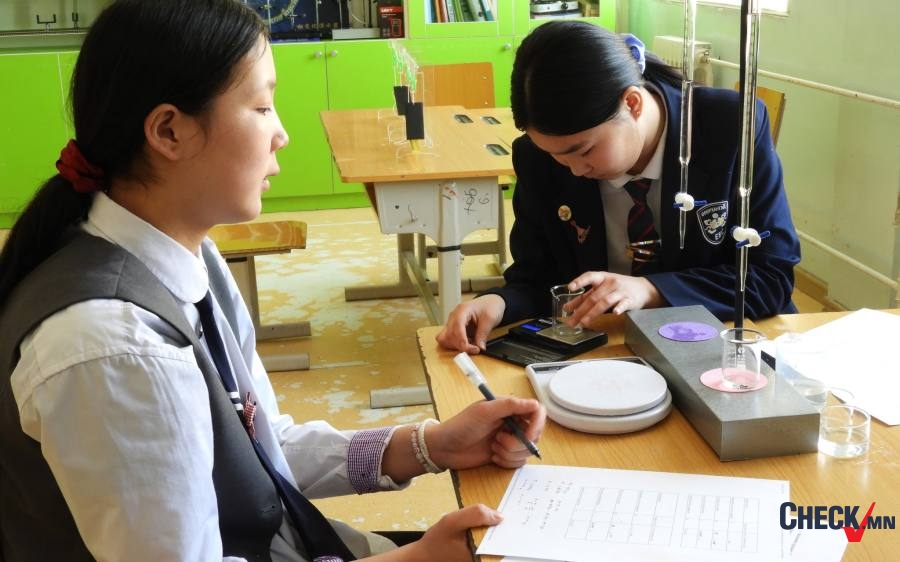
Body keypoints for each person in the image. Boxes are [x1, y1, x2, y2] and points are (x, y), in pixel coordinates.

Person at [0, 1, 545, 561]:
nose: (281, 133)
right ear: (169, 131)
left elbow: (260, 449)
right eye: (261, 106)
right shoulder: (114, 347)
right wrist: (416, 559)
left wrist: (430, 445)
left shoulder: (188, 257)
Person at [437, 21, 800, 354]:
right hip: (606, 353)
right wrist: (498, 303)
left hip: (720, 348)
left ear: (632, 103)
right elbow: (537, 277)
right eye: (557, 156)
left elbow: (770, 277)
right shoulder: (538, 158)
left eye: (584, 151)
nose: (575, 170)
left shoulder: (730, 126)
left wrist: (650, 290)